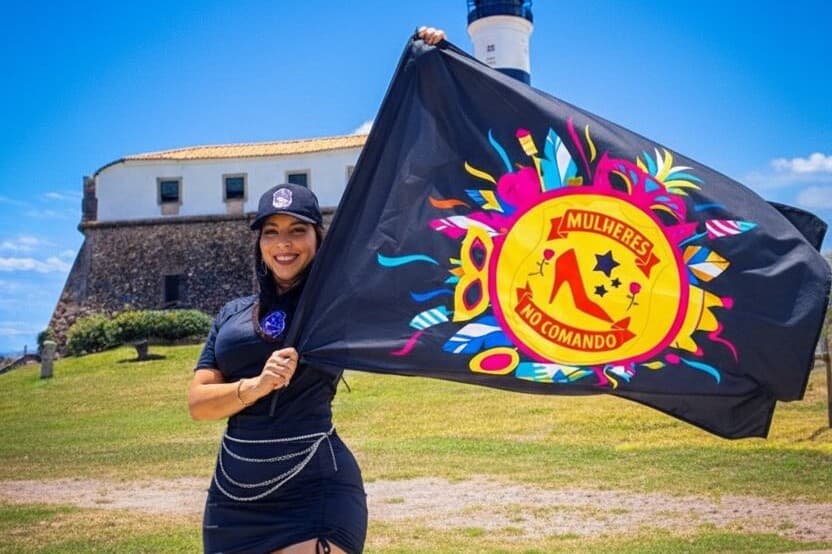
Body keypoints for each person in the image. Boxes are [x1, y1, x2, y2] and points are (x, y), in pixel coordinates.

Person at [189, 27, 445, 554]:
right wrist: (256, 386)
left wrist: (427, 76)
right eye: (272, 232)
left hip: (316, 489)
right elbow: (198, 404)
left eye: (297, 231)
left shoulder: (336, 302)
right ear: (259, 241)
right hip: (231, 499)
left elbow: (405, 192)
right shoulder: (232, 315)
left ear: (317, 238)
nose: (284, 244)